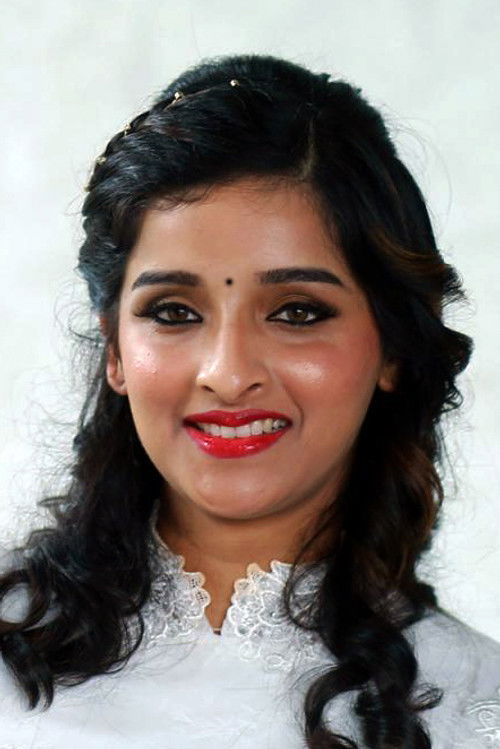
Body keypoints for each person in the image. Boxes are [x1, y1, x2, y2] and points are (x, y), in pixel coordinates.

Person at [0, 53, 498, 749]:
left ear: (392, 346)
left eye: (297, 312)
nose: (228, 375)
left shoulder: (474, 705)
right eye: (174, 312)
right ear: (115, 349)